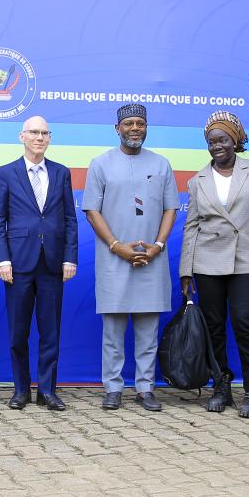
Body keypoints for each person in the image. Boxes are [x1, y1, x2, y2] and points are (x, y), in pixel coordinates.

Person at [179, 112, 249, 418]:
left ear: (235, 140)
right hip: (207, 262)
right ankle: (220, 386)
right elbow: (191, 226)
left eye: (222, 139)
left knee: (245, 322)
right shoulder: (197, 180)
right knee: (213, 327)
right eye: (211, 142)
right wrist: (186, 271)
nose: (217, 146)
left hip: (247, 260)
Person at [83, 103, 179, 412]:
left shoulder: (161, 164)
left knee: (148, 332)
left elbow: (171, 208)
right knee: (113, 332)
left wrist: (157, 246)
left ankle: (145, 388)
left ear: (146, 128)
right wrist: (116, 246)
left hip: (152, 259)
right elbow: (91, 210)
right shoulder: (101, 164)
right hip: (114, 259)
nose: (135, 128)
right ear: (118, 128)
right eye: (129, 123)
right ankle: (112, 388)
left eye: (140, 123)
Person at [0, 115, 77, 411]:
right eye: (34, 132)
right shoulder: (6, 173)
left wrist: (70, 257)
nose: (40, 138)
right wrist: (2, 260)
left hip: (52, 263)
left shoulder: (61, 172)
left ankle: (47, 391)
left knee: (50, 331)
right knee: (18, 333)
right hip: (18, 264)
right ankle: (20, 390)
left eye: (45, 133)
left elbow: (70, 219)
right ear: (22, 136)